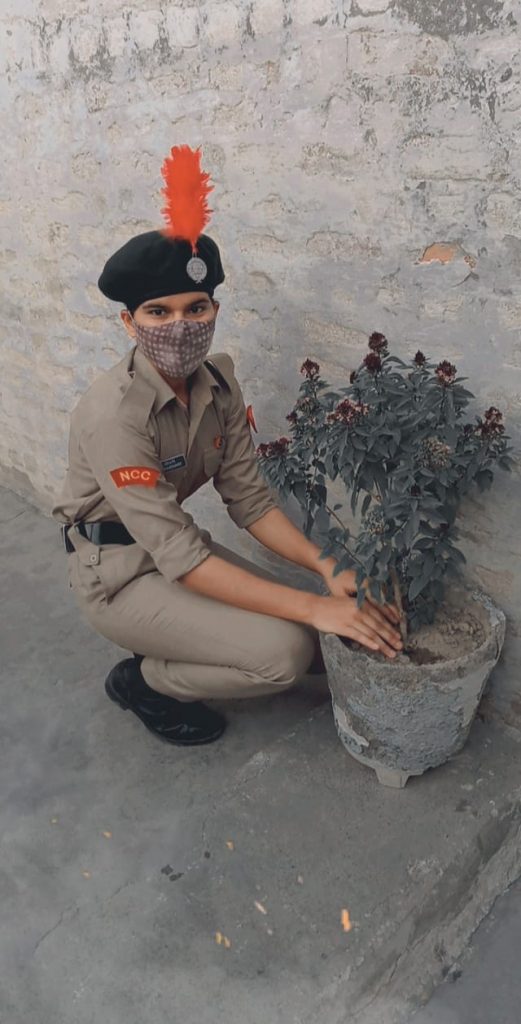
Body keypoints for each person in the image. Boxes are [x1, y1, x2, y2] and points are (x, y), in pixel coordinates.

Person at [53, 145, 402, 747]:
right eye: (157, 312)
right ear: (129, 322)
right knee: (286, 654)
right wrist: (313, 606)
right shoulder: (113, 416)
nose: (180, 326)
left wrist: (326, 567)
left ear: (214, 309)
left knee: (318, 635)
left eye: (196, 308)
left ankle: (190, 641)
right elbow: (182, 557)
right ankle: (146, 681)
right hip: (117, 573)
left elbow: (250, 500)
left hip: (177, 549)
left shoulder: (218, 382)